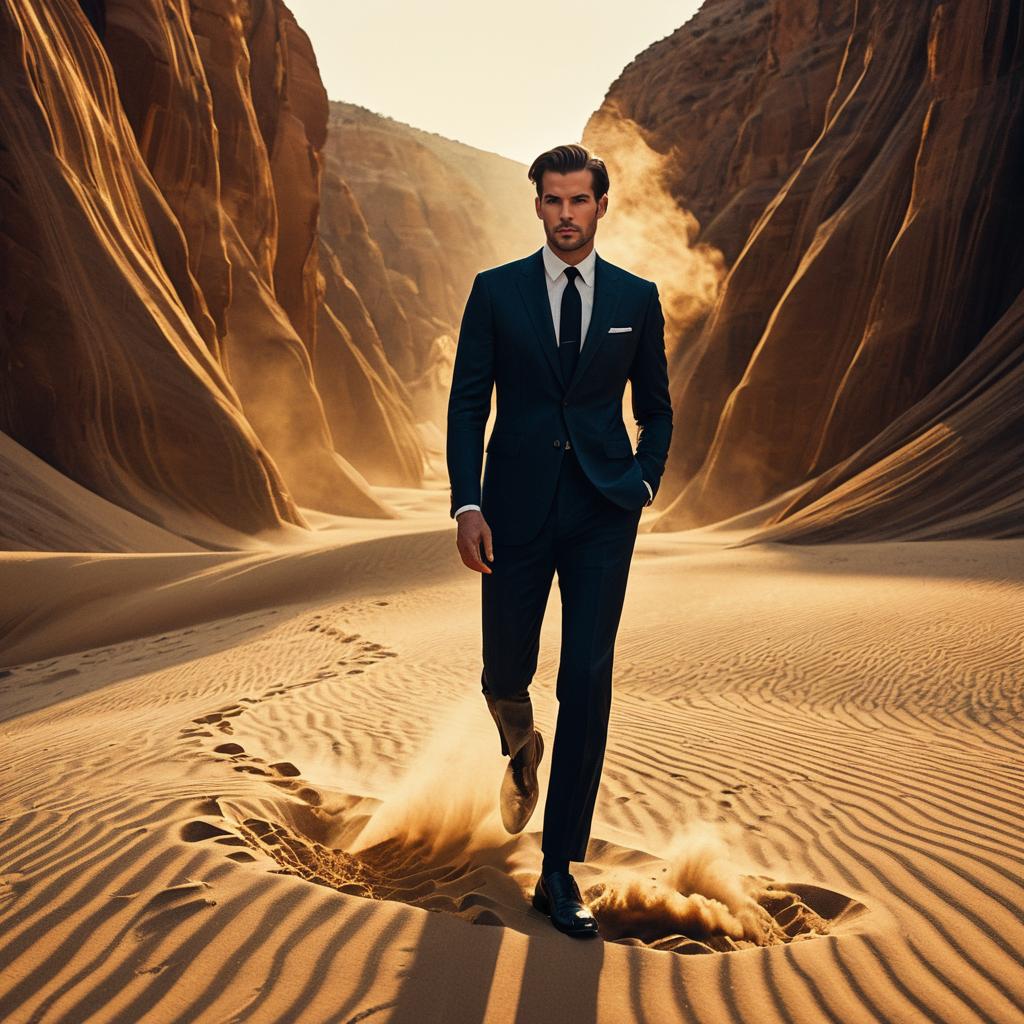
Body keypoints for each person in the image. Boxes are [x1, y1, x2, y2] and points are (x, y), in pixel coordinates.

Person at [445, 143, 673, 937]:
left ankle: (558, 870)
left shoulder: (637, 299)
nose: (567, 215)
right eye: (554, 201)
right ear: (537, 205)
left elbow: (660, 407)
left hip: (603, 513)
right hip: (512, 511)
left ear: (601, 206)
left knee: (587, 680)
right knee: (505, 667)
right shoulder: (496, 293)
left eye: (580, 201)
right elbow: (468, 406)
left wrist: (643, 479)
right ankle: (518, 736)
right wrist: (467, 505)